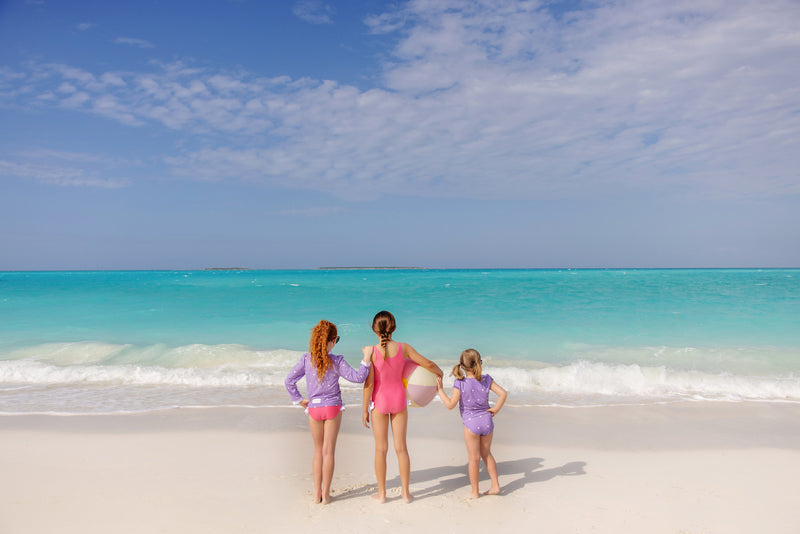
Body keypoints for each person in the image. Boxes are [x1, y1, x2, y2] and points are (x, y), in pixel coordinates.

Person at [285, 319, 371, 504]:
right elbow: (358, 378)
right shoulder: (337, 360)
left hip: (314, 408)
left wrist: (299, 400)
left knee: (318, 452)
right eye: (336, 339)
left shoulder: (307, 359)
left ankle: (317, 494)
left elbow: (289, 381)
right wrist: (366, 359)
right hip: (332, 407)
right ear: (331, 340)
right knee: (328, 452)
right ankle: (327, 495)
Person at [361, 310, 443, 503]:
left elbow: (369, 384)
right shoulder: (403, 348)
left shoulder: (371, 351)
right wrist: (440, 373)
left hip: (379, 402)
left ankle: (382, 495)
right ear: (394, 327)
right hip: (398, 400)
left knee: (380, 449)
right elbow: (428, 363)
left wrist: (365, 408)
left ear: (374, 329)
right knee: (401, 448)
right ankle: (405, 494)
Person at [436, 348, 507, 498]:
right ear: (479, 362)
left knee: (473, 459)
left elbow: (450, 405)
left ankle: (475, 492)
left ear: (462, 365)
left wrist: (440, 390)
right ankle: (495, 485)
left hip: (471, 424)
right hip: (487, 421)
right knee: (487, 454)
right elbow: (503, 394)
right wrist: (495, 409)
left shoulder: (460, 383)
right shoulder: (487, 379)